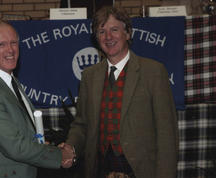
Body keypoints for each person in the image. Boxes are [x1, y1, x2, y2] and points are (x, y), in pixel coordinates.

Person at [61, 6, 179, 178]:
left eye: (114, 30)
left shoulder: (153, 72)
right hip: (100, 170)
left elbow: (167, 134)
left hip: (141, 171)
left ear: (128, 33)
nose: (108, 37)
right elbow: (81, 124)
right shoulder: (89, 76)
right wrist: (71, 148)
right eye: (102, 31)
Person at [0, 20, 74, 178]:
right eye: (2, 44)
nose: (10, 50)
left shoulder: (10, 81)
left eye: (13, 43)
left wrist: (47, 147)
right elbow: (15, 147)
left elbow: (24, 133)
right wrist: (59, 155)